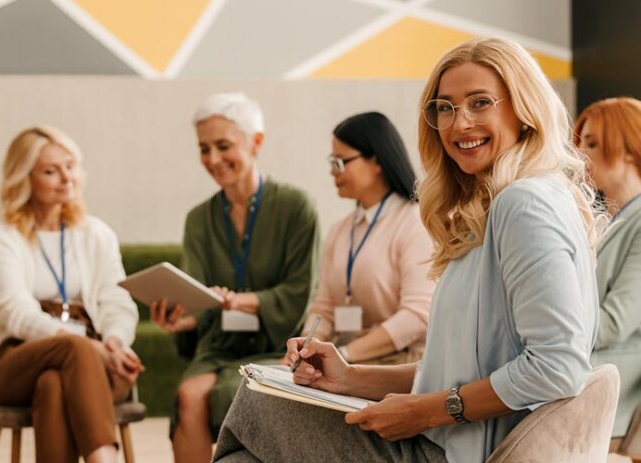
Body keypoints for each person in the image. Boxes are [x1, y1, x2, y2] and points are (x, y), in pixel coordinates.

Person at [213, 37, 600, 463]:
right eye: (445, 108)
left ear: (523, 110)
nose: (458, 123)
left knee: (254, 402)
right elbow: (459, 371)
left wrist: (426, 411)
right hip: (451, 438)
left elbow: (556, 367)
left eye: (480, 102)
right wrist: (347, 377)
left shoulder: (523, 204)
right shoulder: (499, 207)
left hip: (456, 450)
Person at [150, 92, 320, 463]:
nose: (212, 159)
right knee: (190, 396)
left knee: (245, 391)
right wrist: (179, 320)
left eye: (223, 146)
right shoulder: (199, 219)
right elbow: (199, 300)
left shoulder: (296, 207)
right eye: (204, 148)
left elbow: (298, 292)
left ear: (256, 142)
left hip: (278, 343)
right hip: (219, 346)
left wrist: (239, 300)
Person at [0, 126, 143, 463]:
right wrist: (88, 346)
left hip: (95, 362)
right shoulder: (2, 235)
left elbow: (118, 301)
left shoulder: (97, 233)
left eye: (70, 166)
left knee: (53, 385)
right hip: (15, 359)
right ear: (24, 179)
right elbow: (15, 312)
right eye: (51, 171)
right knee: (73, 348)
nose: (66, 178)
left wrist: (113, 341)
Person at [301, 112, 434, 365]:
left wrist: (346, 355)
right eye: (332, 162)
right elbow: (324, 309)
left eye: (340, 162)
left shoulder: (415, 223)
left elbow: (417, 316)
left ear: (377, 161)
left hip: (401, 363)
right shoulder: (341, 230)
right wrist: (305, 348)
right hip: (348, 360)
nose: (333, 172)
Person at [576, 97, 641, 444]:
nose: (581, 155)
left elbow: (615, 323)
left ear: (630, 150)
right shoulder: (611, 220)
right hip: (587, 387)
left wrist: (549, 331)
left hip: (613, 404)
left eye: (593, 144)